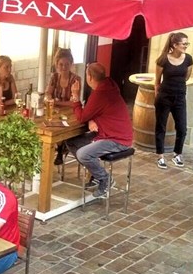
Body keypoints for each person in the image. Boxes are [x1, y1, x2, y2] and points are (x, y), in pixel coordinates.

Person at [64, 63, 134, 198]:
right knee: (72, 141)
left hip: (117, 139)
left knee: (83, 154)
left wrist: (75, 97)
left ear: (89, 77)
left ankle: (105, 179)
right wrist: (92, 119)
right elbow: (97, 111)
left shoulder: (100, 93)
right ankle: (96, 175)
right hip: (108, 133)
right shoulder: (110, 84)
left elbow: (81, 117)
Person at [154, 32, 193, 170]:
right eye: (184, 44)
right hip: (164, 97)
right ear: (175, 44)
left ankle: (177, 154)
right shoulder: (163, 59)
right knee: (161, 127)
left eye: (187, 43)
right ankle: (160, 156)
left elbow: (186, 77)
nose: (186, 46)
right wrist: (157, 97)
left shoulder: (188, 59)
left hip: (180, 97)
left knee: (182, 128)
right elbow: (157, 81)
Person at [46, 48, 81, 165]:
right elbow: (48, 93)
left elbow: (73, 102)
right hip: (56, 110)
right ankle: (59, 148)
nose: (64, 67)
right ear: (56, 64)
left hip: (71, 112)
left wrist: (55, 102)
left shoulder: (75, 79)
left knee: (60, 125)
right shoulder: (54, 77)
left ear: (71, 64)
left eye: (66, 64)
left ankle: (60, 150)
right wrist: (49, 98)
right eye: (61, 64)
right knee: (49, 122)